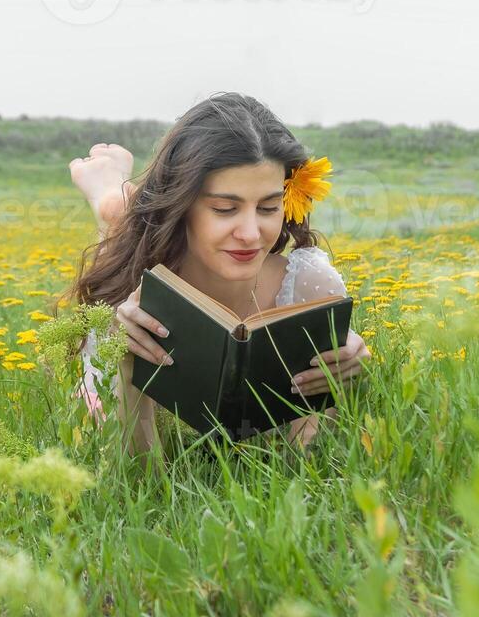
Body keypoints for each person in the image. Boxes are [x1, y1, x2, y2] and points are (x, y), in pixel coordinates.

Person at [64, 93, 370, 456]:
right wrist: (129, 373)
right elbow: (134, 480)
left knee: (131, 226)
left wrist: (348, 372)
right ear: (182, 205)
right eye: (225, 209)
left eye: (269, 207)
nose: (251, 234)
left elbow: (306, 459)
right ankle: (112, 203)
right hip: (148, 260)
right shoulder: (134, 294)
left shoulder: (310, 284)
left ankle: (121, 207)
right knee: (123, 237)